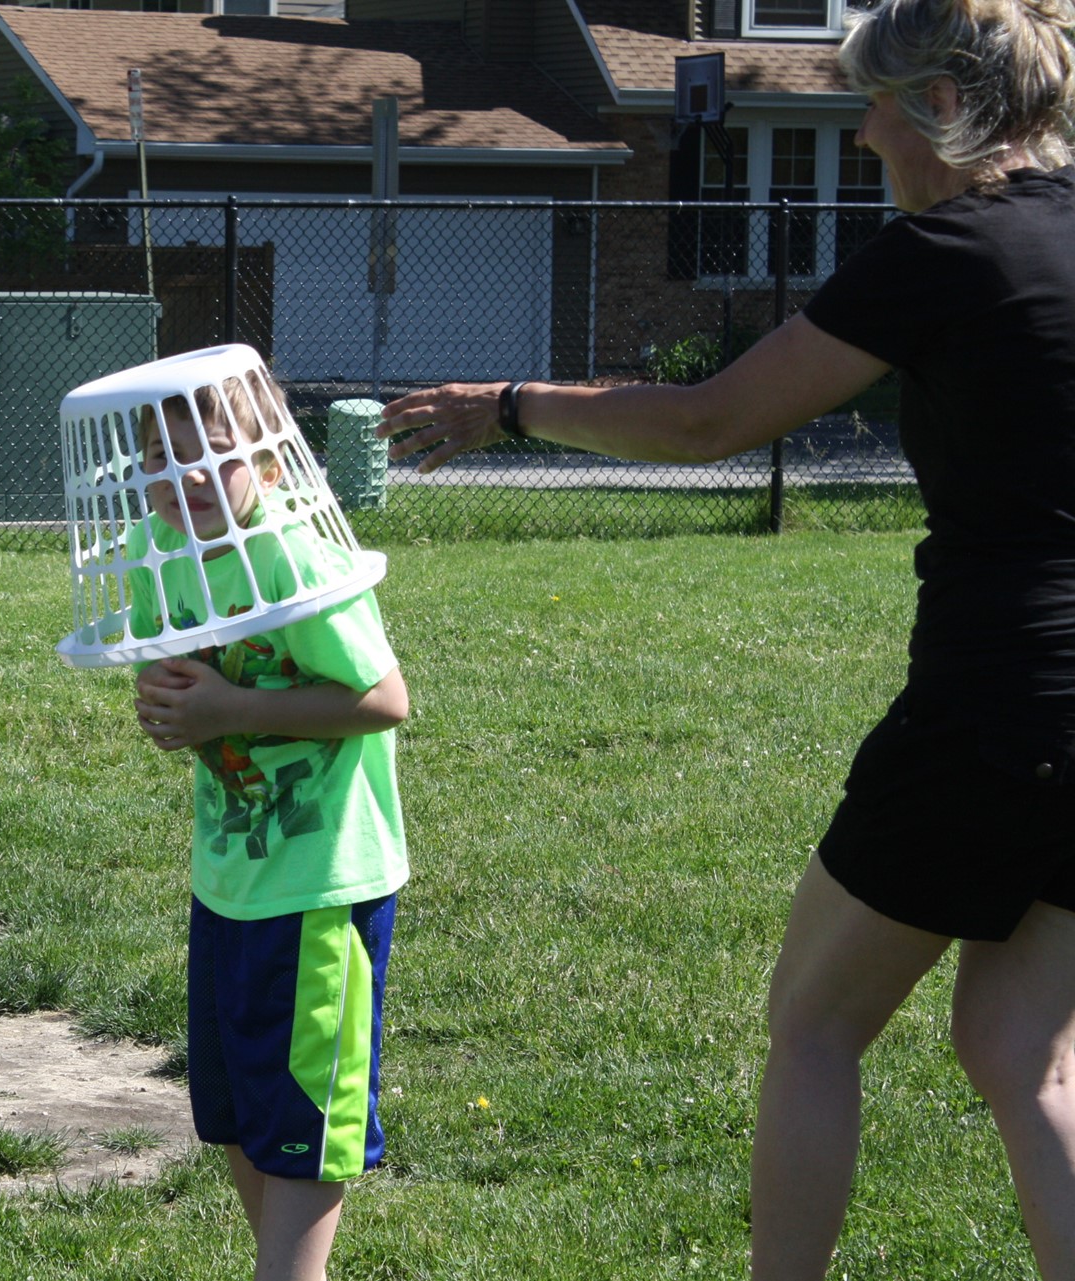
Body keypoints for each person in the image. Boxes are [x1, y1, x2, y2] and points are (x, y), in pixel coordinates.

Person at [377, 0, 1075, 1273]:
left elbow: (709, 422)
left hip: (997, 700)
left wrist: (511, 408)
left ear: (939, 107)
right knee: (1022, 1055)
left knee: (813, 1025)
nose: (860, 136)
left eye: (872, 104)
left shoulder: (946, 251)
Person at [129, 371, 411, 1281]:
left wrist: (229, 709)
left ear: (266, 457)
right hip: (230, 879)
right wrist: (178, 707)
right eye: (163, 458)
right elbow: (177, 681)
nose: (189, 476)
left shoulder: (292, 555)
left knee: (300, 1126)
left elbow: (382, 698)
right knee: (242, 1117)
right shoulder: (161, 550)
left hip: (319, 883)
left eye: (213, 453)